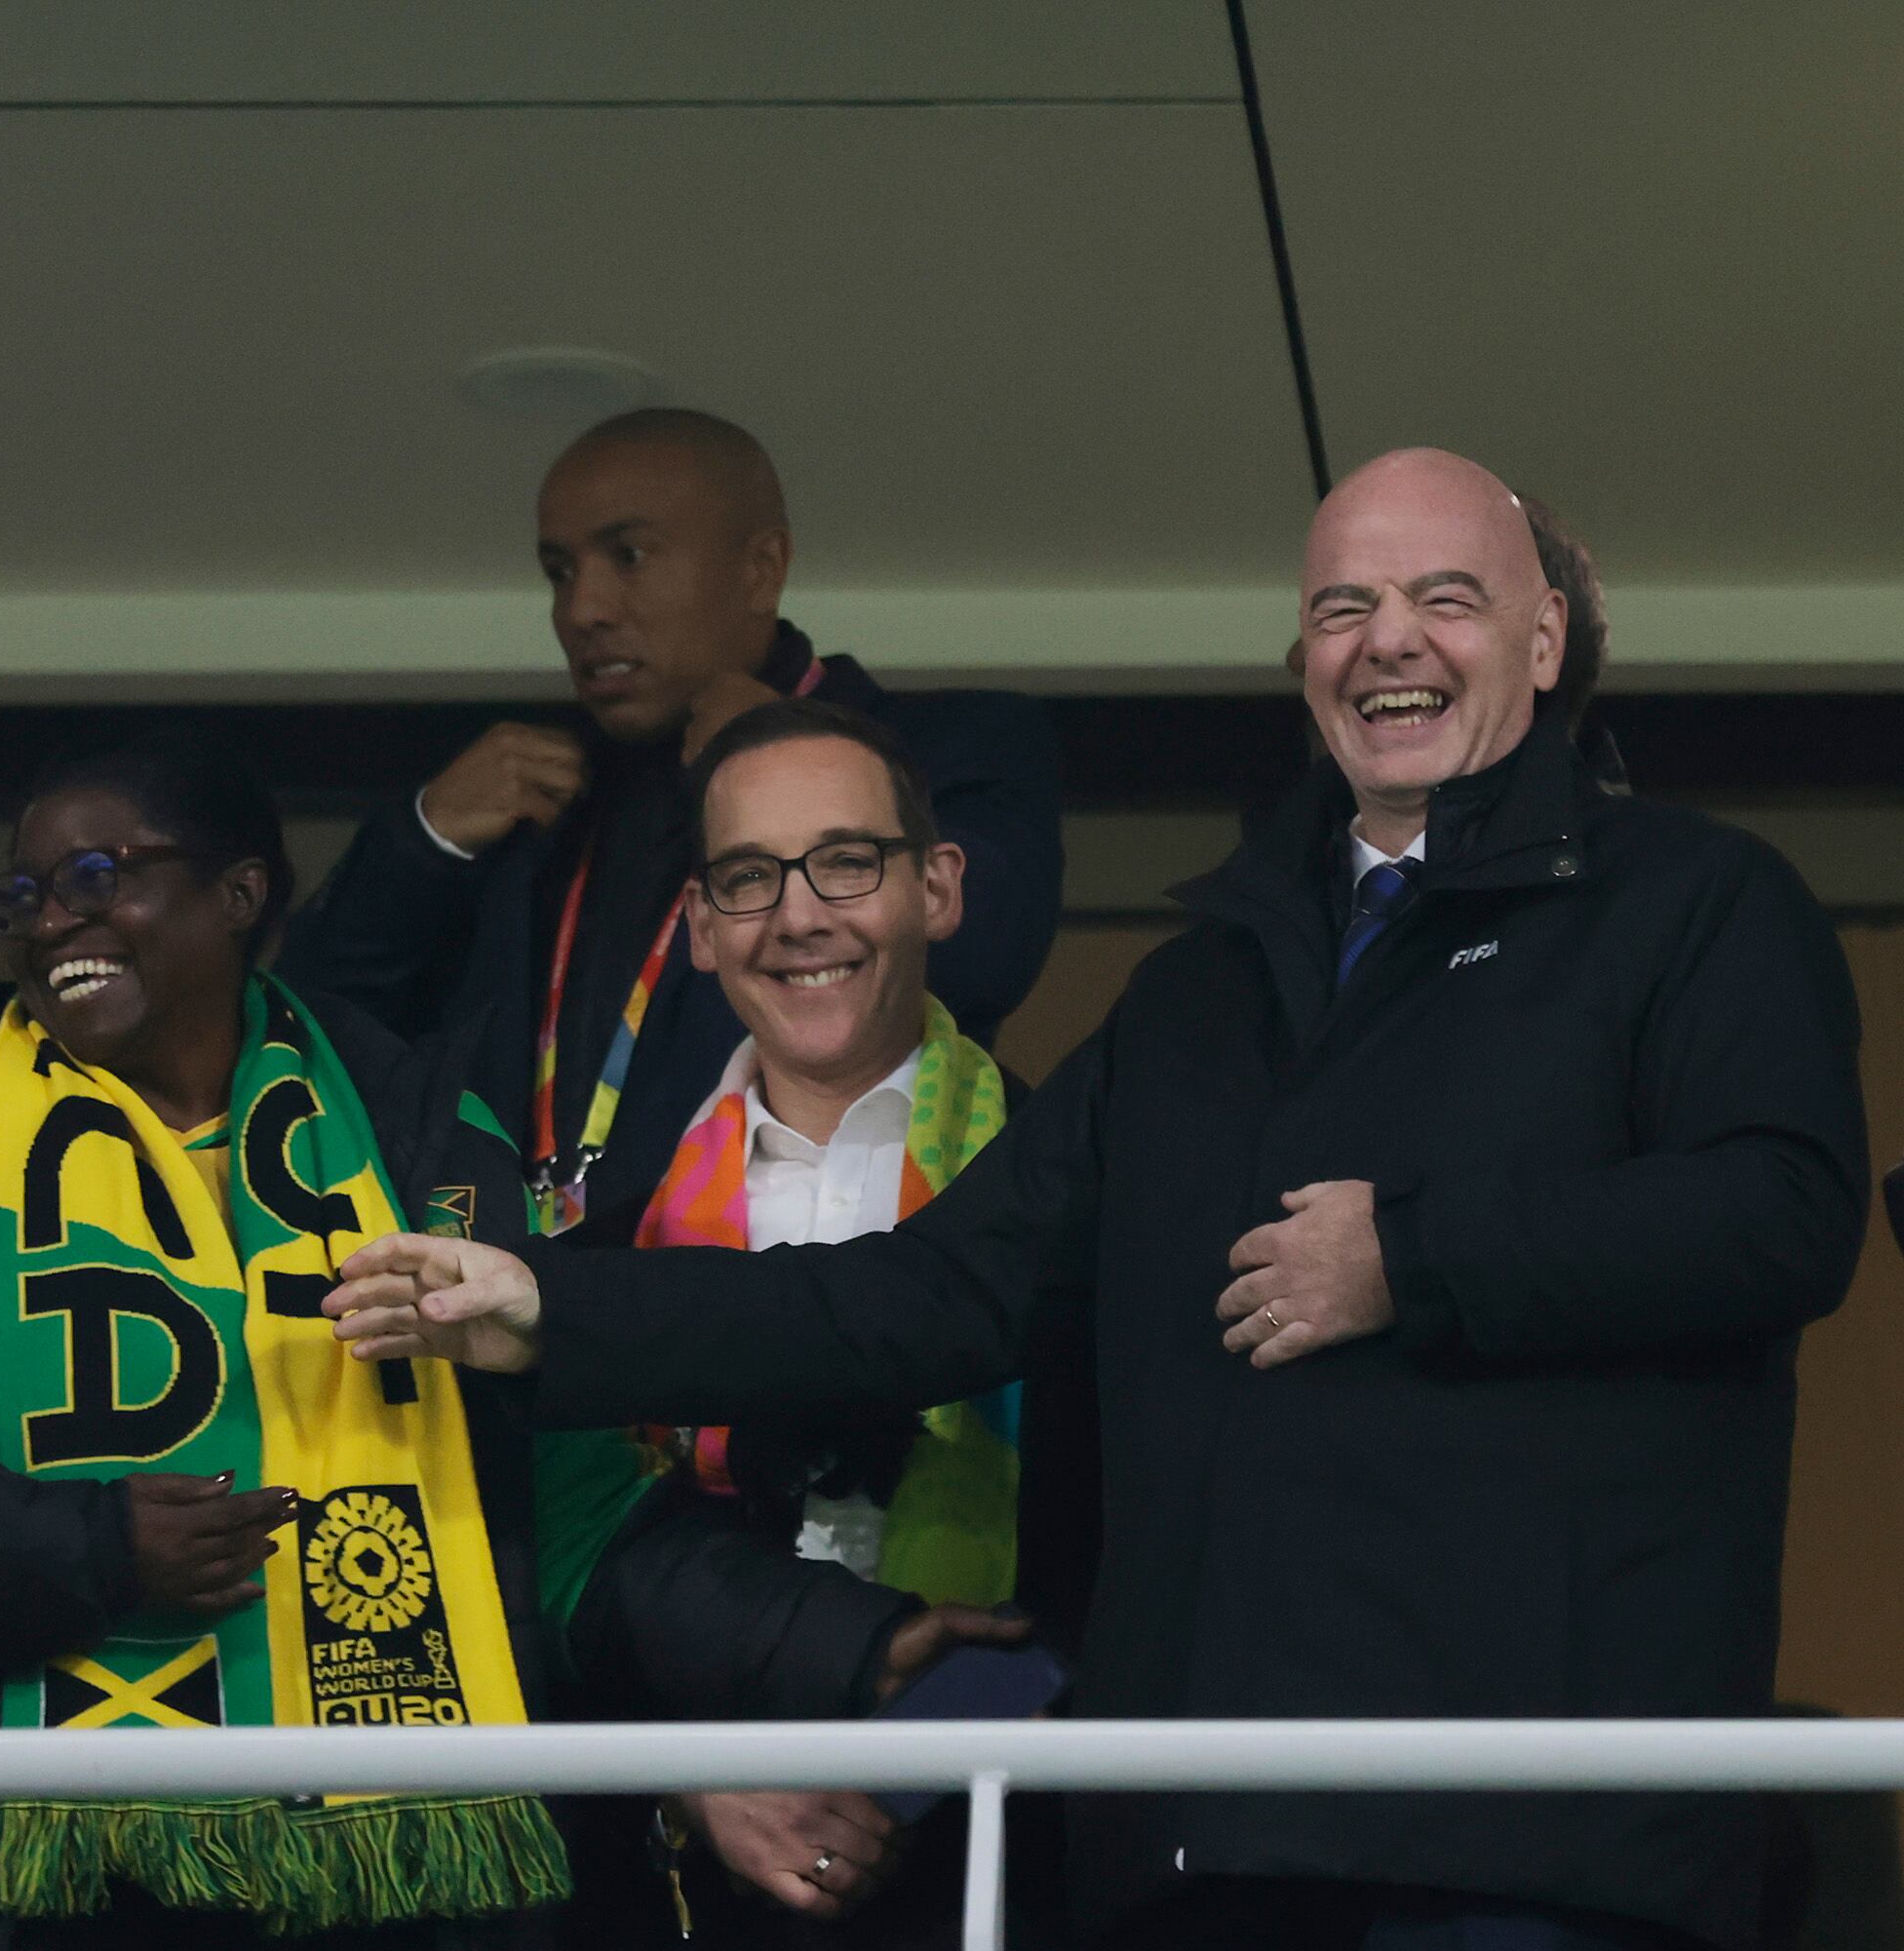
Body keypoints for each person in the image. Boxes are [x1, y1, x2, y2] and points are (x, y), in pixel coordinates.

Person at [329, 449, 1873, 1951]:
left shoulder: (1694, 902)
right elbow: (924, 1295)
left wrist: (1411, 1253)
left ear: (1543, 641)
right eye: (1342, 607)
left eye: (1444, 596)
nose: (1387, 639)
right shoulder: (1201, 989)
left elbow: (1785, 1211)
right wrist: (547, 1303)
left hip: (1527, 1834)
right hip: (1197, 1851)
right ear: (1300, 661)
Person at [0, 734, 1008, 1949]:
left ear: (241, 892)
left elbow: (571, 1521)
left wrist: (849, 1643)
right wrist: (96, 1549)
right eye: (22, 897)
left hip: (400, 1897)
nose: (52, 923)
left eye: (96, 879)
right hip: (29, 1892)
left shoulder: (425, 1144)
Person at [278, 410, 1062, 1245]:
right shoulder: (523, 796)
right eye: (559, 569)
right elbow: (308, 1033)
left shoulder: (962, 746)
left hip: (812, 1284)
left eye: (629, 555)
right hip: (520, 1310)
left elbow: (985, 955)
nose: (583, 607)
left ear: (762, 570)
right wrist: (423, 837)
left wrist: (782, 761)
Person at [616, 698, 1033, 1947]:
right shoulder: (605, 1236)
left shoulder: (1070, 1187)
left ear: (939, 889)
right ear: (698, 928)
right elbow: (559, 1568)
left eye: (847, 862)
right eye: (748, 879)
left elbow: (1142, 1552)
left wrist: (901, 1774)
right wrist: (697, 1775)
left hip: (1005, 1855)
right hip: (688, 1877)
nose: (800, 917)